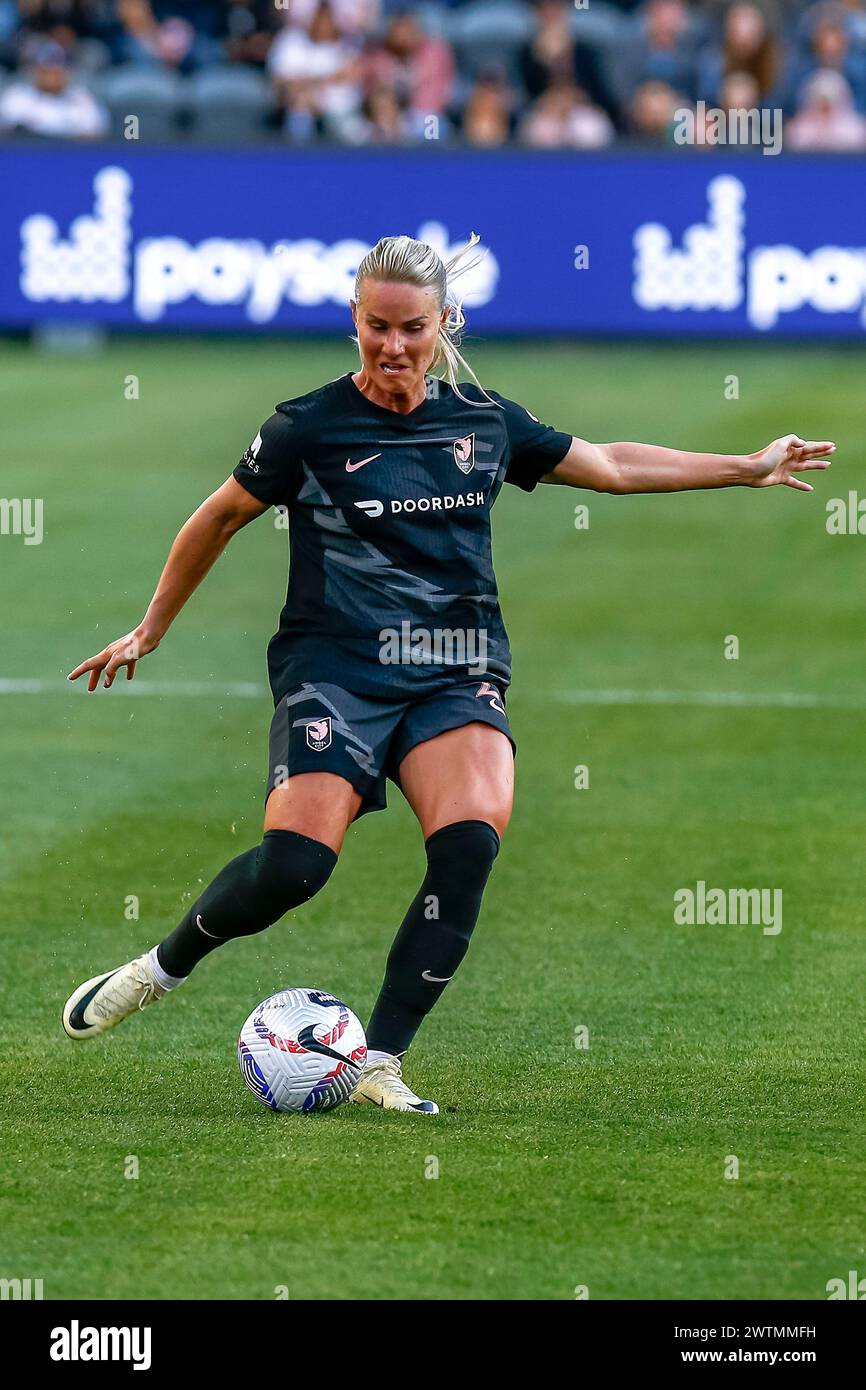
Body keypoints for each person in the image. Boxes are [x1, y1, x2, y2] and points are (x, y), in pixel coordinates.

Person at [62, 233, 835, 1114]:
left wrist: (746, 467)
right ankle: (158, 969)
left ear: (443, 325)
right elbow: (218, 516)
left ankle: (381, 1062)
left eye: (413, 329)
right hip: (336, 668)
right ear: (354, 319)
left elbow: (614, 466)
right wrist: (150, 629)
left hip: (453, 670)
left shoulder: (483, 420)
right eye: (377, 327)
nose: (393, 347)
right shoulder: (304, 429)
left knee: (468, 843)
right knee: (294, 868)